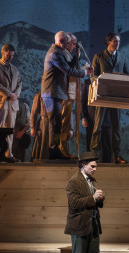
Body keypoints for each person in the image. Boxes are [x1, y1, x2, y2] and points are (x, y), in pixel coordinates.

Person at [41, 31, 93, 159]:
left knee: (57, 123)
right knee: (55, 123)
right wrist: (86, 72)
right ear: (61, 41)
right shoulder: (55, 53)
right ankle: (53, 152)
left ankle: (55, 151)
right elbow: (69, 70)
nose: (69, 44)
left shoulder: (58, 52)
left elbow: (70, 65)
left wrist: (78, 53)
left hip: (55, 92)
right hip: (52, 92)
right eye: (68, 42)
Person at [64, 151, 104, 253]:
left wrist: (100, 198)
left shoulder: (90, 181)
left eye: (96, 166)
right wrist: (93, 198)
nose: (95, 169)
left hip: (93, 225)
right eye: (92, 166)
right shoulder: (73, 181)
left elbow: (92, 201)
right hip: (80, 225)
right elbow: (74, 203)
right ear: (83, 164)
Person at [90, 32, 129, 164]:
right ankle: (93, 154)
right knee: (98, 126)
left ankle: (117, 155)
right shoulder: (99, 56)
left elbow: (127, 76)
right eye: (114, 41)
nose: (117, 44)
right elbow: (93, 76)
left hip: (116, 97)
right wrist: (102, 81)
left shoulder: (122, 57)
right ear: (108, 42)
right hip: (102, 95)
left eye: (118, 41)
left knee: (116, 127)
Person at [0, 43, 23, 159]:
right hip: (0, 103)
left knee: (10, 130)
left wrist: (16, 95)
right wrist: (10, 94)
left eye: (12, 56)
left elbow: (19, 83)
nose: (10, 58)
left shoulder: (14, 68)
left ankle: (9, 155)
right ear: (2, 53)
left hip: (12, 104)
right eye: (8, 55)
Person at [60, 32, 79, 159]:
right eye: (72, 43)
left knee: (66, 123)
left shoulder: (67, 54)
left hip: (68, 92)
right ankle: (62, 149)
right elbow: (71, 68)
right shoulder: (62, 54)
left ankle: (64, 149)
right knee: (63, 123)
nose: (73, 46)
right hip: (63, 92)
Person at [30, 93, 49, 161]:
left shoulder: (57, 95)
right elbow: (33, 112)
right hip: (43, 124)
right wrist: (32, 127)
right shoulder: (39, 95)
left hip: (55, 123)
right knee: (41, 148)